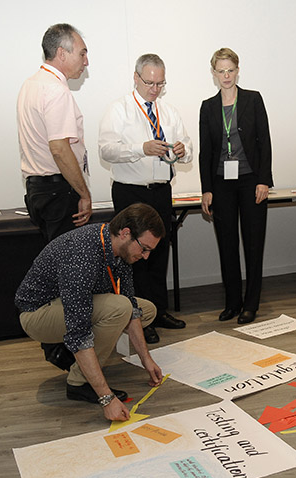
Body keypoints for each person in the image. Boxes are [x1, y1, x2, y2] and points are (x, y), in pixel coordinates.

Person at [15, 203, 165, 422]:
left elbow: (132, 306)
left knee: (145, 310)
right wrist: (106, 398)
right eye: (144, 248)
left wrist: (146, 360)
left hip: (67, 305)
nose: (145, 257)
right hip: (37, 314)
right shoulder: (82, 254)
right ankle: (79, 382)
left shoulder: (118, 249)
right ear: (125, 233)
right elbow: (79, 330)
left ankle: (75, 356)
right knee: (118, 310)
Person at [99, 54, 193, 343]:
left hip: (161, 190)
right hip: (131, 191)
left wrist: (181, 150)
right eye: (150, 82)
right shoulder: (119, 109)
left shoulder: (169, 111)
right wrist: (141, 148)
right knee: (134, 256)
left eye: (160, 83)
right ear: (136, 78)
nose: (155, 89)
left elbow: (188, 148)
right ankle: (140, 319)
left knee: (159, 251)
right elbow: (106, 150)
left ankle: (159, 311)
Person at [199, 48, 273, 325]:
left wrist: (264, 179)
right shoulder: (208, 106)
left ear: (237, 71)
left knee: (254, 244)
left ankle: (251, 304)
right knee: (227, 245)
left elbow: (264, 142)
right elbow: (205, 152)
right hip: (221, 185)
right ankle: (233, 302)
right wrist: (207, 188)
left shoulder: (253, 100)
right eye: (221, 71)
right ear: (214, 73)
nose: (226, 76)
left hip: (251, 181)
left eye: (230, 70)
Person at [17, 23, 92, 242]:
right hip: (59, 192)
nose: (86, 61)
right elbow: (59, 149)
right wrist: (85, 194)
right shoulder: (56, 90)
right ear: (61, 53)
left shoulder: (30, 85)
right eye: (82, 53)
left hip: (38, 191)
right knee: (68, 267)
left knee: (53, 263)